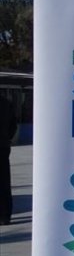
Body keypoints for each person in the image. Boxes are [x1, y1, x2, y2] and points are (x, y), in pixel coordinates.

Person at [0, 96, 17, 225]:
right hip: (3, 145)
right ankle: (5, 216)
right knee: (4, 181)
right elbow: (13, 126)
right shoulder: (5, 102)